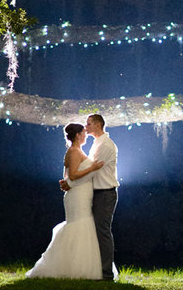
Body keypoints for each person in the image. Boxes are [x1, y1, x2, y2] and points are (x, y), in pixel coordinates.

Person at [25, 123, 105, 279]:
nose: (85, 135)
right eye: (83, 133)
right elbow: (73, 175)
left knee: (81, 224)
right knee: (80, 224)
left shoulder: (75, 151)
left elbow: (67, 177)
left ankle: (75, 265)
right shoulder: (74, 151)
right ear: (77, 135)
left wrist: (67, 182)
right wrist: (93, 168)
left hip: (80, 192)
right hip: (78, 196)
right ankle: (74, 268)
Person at [59, 111, 118, 281]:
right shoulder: (95, 144)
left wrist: (70, 183)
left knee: (102, 232)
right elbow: (81, 169)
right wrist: (69, 180)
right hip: (93, 193)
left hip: (105, 193)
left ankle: (106, 274)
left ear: (98, 125)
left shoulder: (106, 145)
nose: (86, 127)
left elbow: (92, 172)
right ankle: (93, 269)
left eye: (89, 123)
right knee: (92, 231)